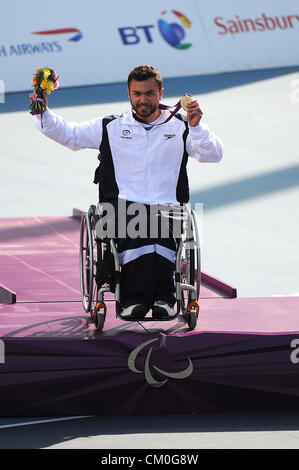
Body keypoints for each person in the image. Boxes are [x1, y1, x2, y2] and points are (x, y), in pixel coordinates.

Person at [29, 65, 223, 319]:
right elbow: (70, 135)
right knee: (138, 223)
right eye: (137, 93)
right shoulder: (111, 126)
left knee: (157, 222)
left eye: (150, 93)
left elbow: (213, 155)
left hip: (167, 206)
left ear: (161, 93)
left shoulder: (181, 126)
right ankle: (133, 299)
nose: (143, 99)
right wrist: (41, 111)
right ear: (129, 94)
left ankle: (164, 298)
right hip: (122, 206)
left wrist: (197, 128)